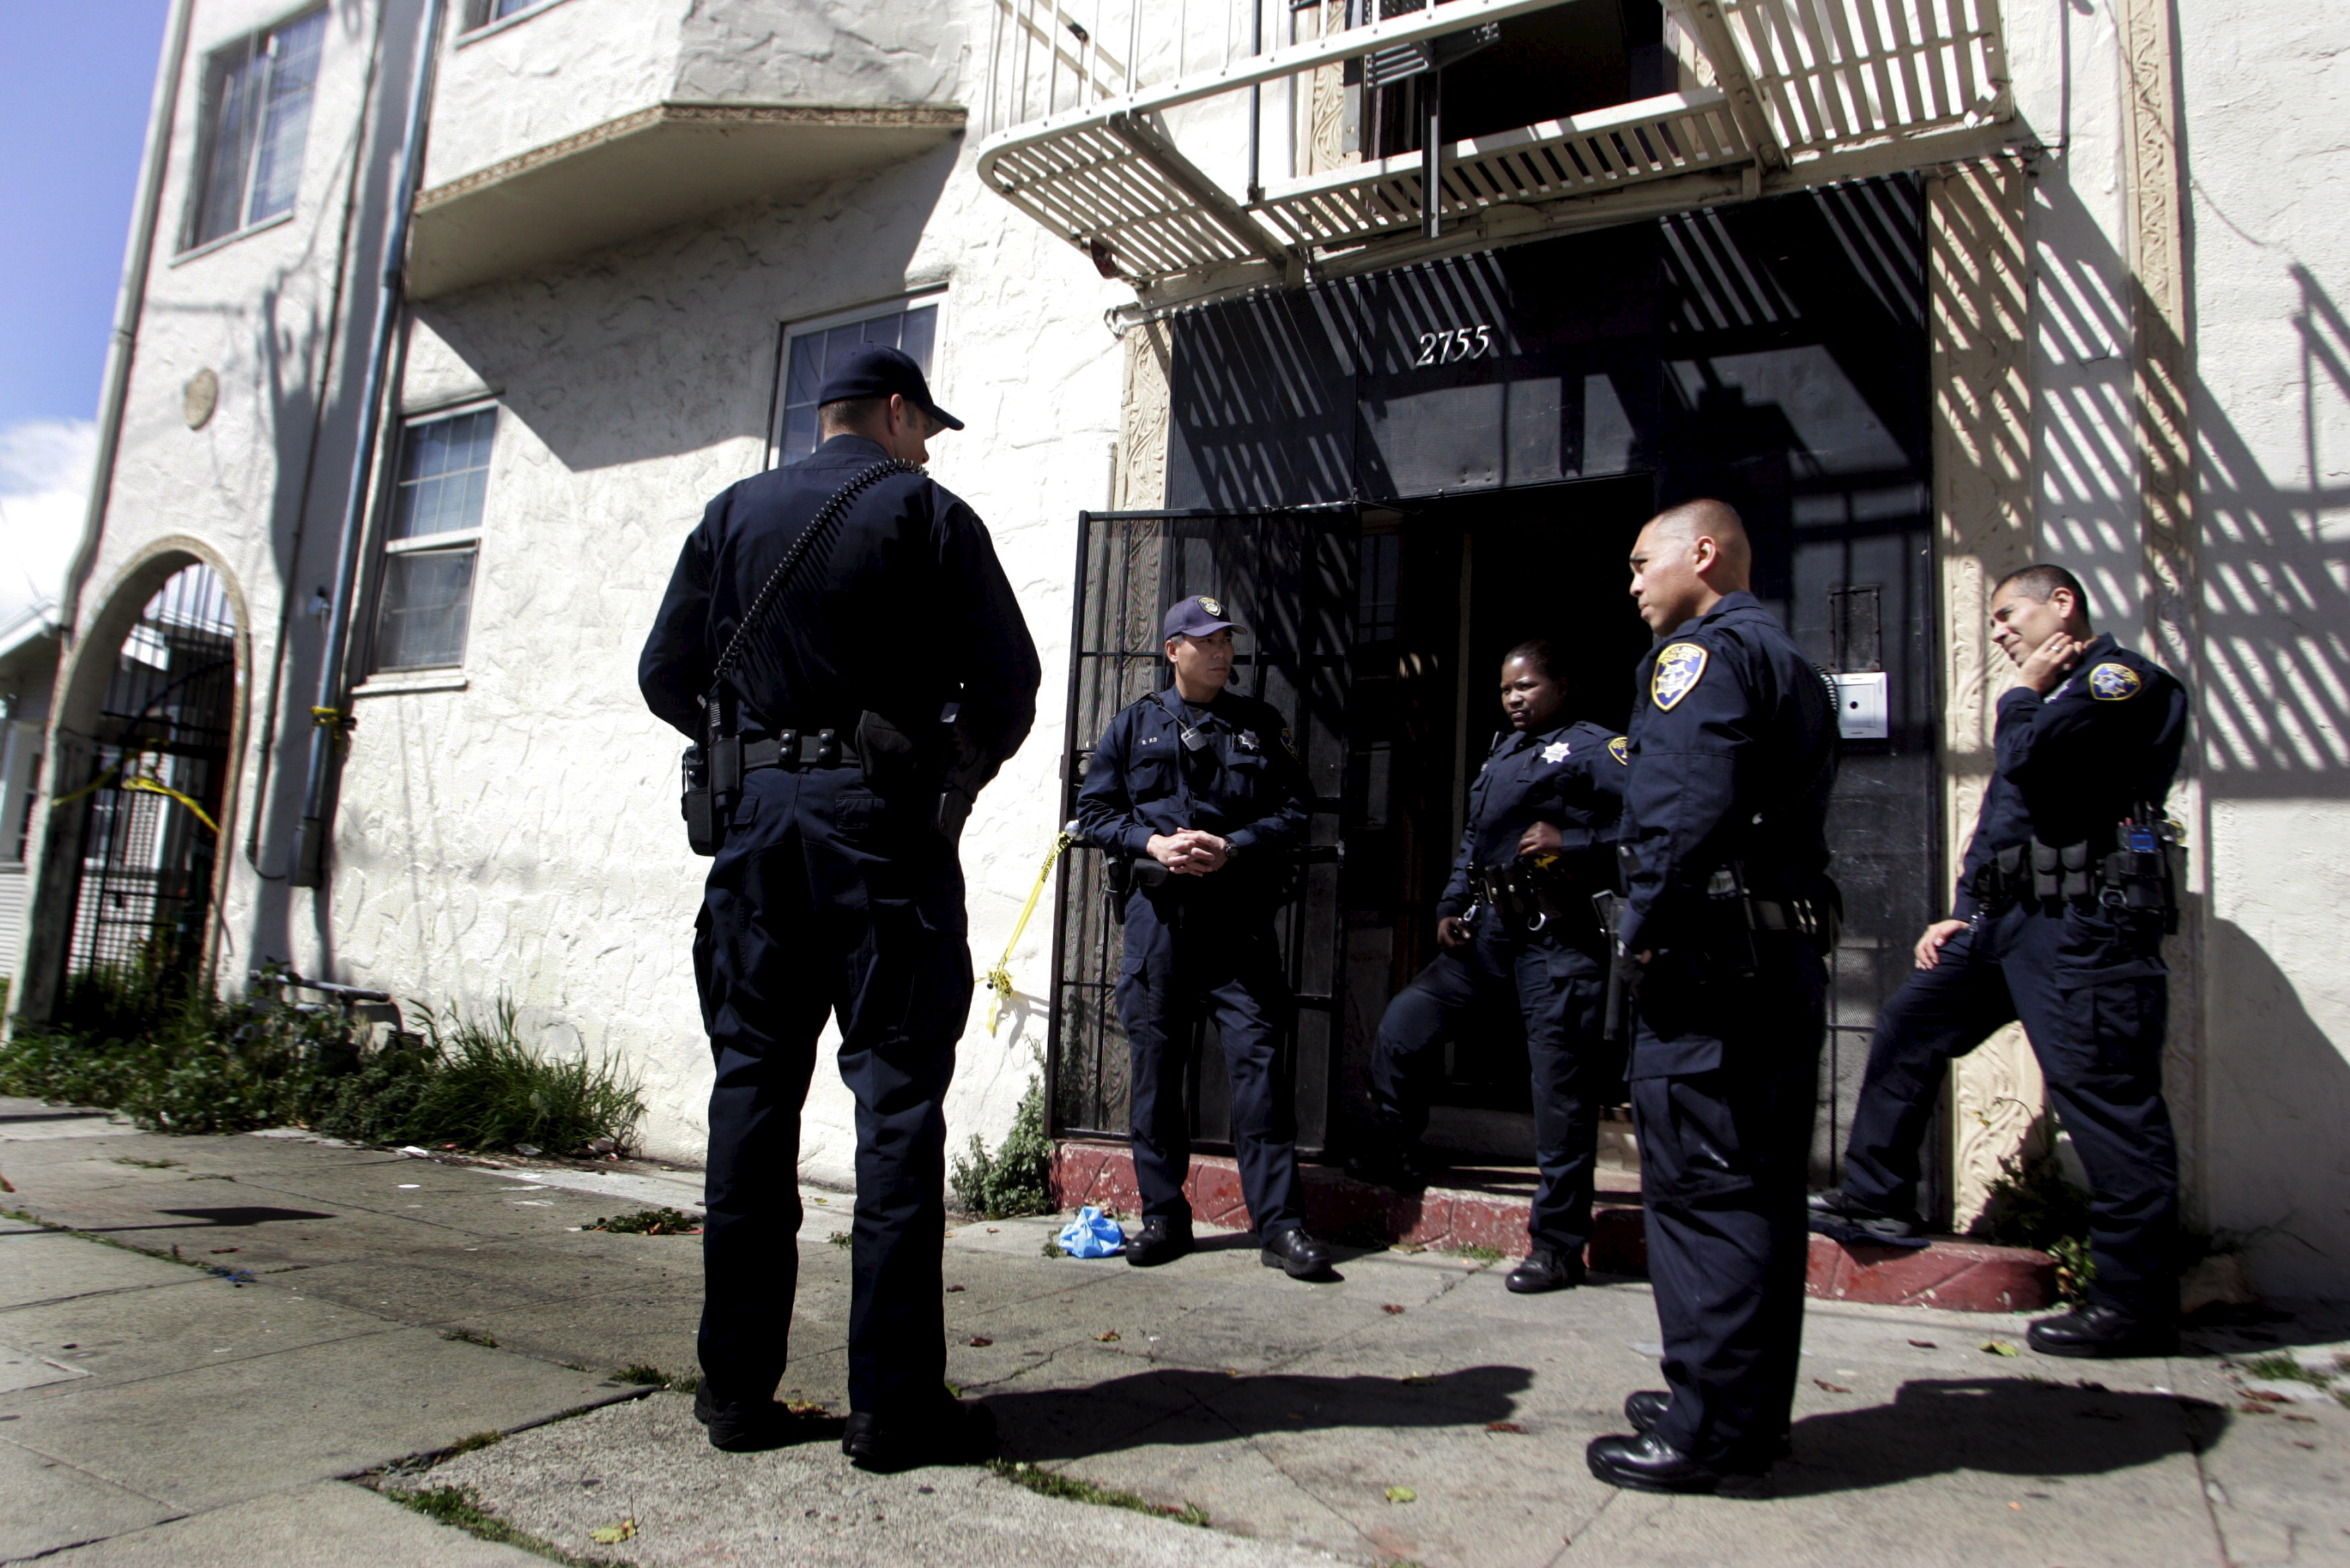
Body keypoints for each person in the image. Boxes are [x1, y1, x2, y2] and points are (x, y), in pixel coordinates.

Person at [639, 346, 1041, 1469]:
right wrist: (937, 767)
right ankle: (892, 1409)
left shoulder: (731, 512)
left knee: (753, 1095)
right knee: (898, 1107)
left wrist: (755, 753)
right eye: (927, 427)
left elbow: (665, 674)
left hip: (756, 831)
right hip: (878, 832)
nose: (928, 448)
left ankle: (733, 1395)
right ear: (898, 413)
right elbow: (1009, 685)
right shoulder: (926, 511)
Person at [1807, 565, 2190, 1359]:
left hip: (2083, 931)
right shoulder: (2052, 689)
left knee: (2108, 1107)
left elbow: (2026, 759)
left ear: (2063, 604)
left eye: (2008, 613)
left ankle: (2133, 1302)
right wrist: (1965, 912)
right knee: (1911, 1022)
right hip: (2007, 923)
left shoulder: (2119, 682)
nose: (1998, 630)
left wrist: (2020, 691)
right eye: (1991, 622)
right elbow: (2003, 817)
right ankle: (1877, 1199)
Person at [1585, 499, 1838, 1495]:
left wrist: (1640, 943)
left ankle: (1709, 1430)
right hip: (1776, 964)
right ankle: (1744, 1408)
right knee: (1763, 1193)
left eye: (1643, 562)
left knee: (1704, 1197)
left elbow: (1680, 818)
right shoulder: (1790, 662)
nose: (1635, 582)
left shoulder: (1698, 659)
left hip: (1712, 976)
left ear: (1705, 554)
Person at [1354, 641, 1627, 1296]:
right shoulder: (1502, 750)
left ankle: (1557, 1247)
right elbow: (1475, 841)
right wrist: (1452, 902)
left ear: (1562, 685)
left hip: (1559, 940)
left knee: (1559, 1098)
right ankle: (1398, 1151)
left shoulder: (1596, 748)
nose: (1513, 698)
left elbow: (1659, 824)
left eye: (1527, 686)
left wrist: (1574, 841)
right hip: (1488, 932)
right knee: (1402, 1026)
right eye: (1506, 688)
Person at [1074, 596, 1333, 1280]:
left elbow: (1296, 809)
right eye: (1206, 641)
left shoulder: (1258, 725)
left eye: (1226, 641)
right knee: (1156, 1077)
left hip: (1236, 926)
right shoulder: (1132, 727)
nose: (1221, 652)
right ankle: (1163, 1214)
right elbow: (1091, 812)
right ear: (1172, 650)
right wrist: (1151, 841)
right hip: (1158, 928)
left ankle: (1279, 1224)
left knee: (1257, 1073)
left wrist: (1236, 845)